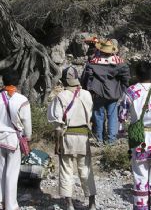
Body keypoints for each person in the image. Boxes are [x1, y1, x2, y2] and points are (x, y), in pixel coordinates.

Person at [119, 62, 151, 210]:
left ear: (136, 75)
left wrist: (122, 131)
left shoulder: (131, 91)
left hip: (139, 137)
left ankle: (141, 206)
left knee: (140, 171)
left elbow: (122, 114)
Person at [48, 66, 96, 210]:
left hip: (66, 136)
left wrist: (57, 144)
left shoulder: (61, 96)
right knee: (86, 169)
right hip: (83, 136)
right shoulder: (87, 95)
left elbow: (57, 124)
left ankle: (69, 205)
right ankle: (92, 204)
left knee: (66, 169)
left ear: (63, 80)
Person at [0, 71, 32, 210]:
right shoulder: (22, 100)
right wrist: (28, 137)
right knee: (12, 173)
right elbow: (26, 122)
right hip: (13, 139)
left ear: (3, 82)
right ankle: (10, 205)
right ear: (17, 83)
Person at [81, 39, 130, 144]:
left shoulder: (93, 62)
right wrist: (122, 89)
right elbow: (126, 77)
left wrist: (89, 90)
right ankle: (111, 139)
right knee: (112, 116)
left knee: (98, 115)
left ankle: (99, 138)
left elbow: (88, 77)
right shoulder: (120, 63)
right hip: (114, 94)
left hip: (98, 92)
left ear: (101, 50)